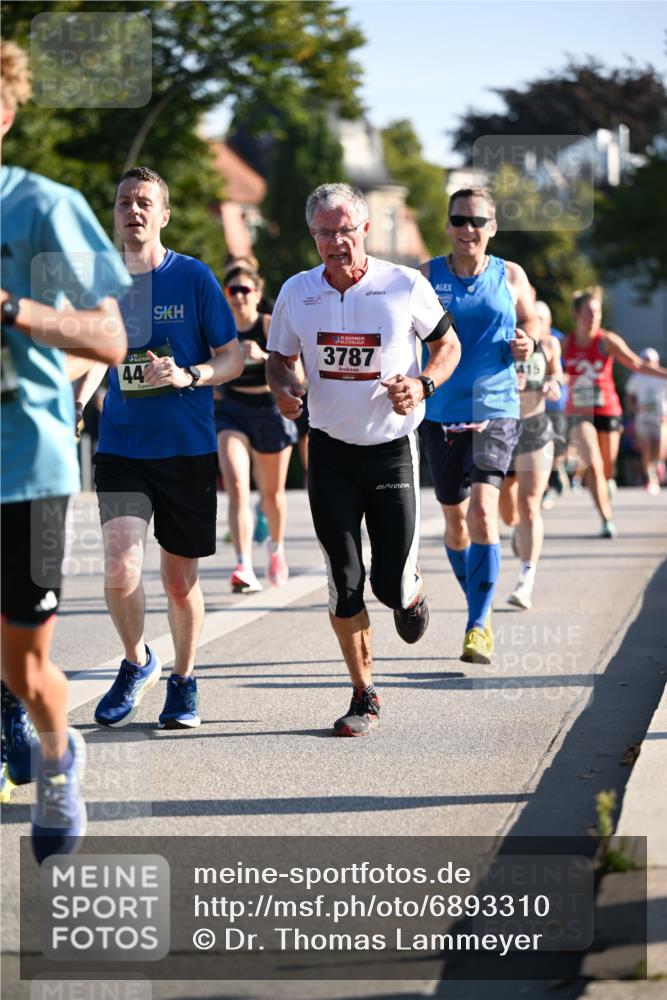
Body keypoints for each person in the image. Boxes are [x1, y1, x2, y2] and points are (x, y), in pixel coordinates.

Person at [267, 182, 460, 736]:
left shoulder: (404, 284)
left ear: (366, 230)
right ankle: (364, 693)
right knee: (344, 579)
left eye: (345, 230)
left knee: (388, 584)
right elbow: (279, 358)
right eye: (324, 233)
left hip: (392, 452)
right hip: (329, 451)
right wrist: (283, 388)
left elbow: (448, 345)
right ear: (313, 236)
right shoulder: (297, 291)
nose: (335, 242)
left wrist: (422, 385)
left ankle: (409, 590)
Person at [0, 39, 130, 857]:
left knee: (24, 668)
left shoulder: (42, 206)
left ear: (5, 113)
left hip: (29, 467)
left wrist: (13, 310)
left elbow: (112, 338)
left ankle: (56, 757)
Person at [75, 166, 242, 731]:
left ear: (163, 215)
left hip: (185, 448)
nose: (133, 210)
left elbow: (231, 357)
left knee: (178, 580)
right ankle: (137, 661)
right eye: (124, 201)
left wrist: (190, 374)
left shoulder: (193, 277)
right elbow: (93, 354)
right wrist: (77, 403)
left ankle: (184, 679)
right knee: (120, 565)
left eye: (145, 202)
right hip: (122, 446)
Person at [419, 186, 540, 663]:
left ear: (493, 228)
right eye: (459, 219)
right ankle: (478, 602)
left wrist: (529, 341)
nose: (468, 229)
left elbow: (530, 320)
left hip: (496, 405)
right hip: (441, 410)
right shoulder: (425, 276)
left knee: (484, 513)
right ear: (447, 225)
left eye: (477, 221)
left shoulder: (510, 274)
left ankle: (478, 623)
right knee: (455, 524)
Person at [216, 264, 297, 592]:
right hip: (232, 410)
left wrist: (263, 357)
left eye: (244, 290)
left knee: (272, 495)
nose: (238, 297)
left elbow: (298, 376)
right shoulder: (219, 328)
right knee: (236, 485)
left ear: (257, 294)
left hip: (269, 409)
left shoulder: (269, 325)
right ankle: (243, 565)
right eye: (232, 291)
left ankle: (276, 550)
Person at [563, 287, 667, 537]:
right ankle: (606, 519)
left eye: (597, 312)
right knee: (594, 464)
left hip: (607, 409)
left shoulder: (606, 341)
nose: (594, 317)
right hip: (579, 413)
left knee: (608, 468)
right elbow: (554, 371)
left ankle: (606, 484)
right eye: (589, 312)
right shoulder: (566, 343)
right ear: (577, 314)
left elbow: (637, 364)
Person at [499, 301, 563, 609]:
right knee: (508, 512)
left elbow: (557, 374)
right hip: (502, 429)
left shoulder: (549, 345)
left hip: (536, 428)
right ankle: (519, 532)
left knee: (529, 504)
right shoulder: (505, 341)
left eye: (541, 319)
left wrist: (553, 383)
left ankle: (526, 579)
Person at [537, 302, 570, 510]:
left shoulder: (557, 340)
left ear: (549, 321)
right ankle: (545, 488)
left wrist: (553, 380)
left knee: (556, 447)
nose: (537, 323)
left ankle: (557, 470)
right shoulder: (520, 338)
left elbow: (566, 371)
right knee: (541, 448)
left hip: (555, 403)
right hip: (532, 408)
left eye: (541, 319)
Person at [624, 347, 667, 495]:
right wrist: (634, 408)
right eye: (646, 360)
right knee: (646, 448)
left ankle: (658, 464)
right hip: (642, 418)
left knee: (660, 446)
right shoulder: (637, 377)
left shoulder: (662, 375)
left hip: (660, 416)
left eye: (651, 360)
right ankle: (651, 478)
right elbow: (629, 396)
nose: (648, 363)